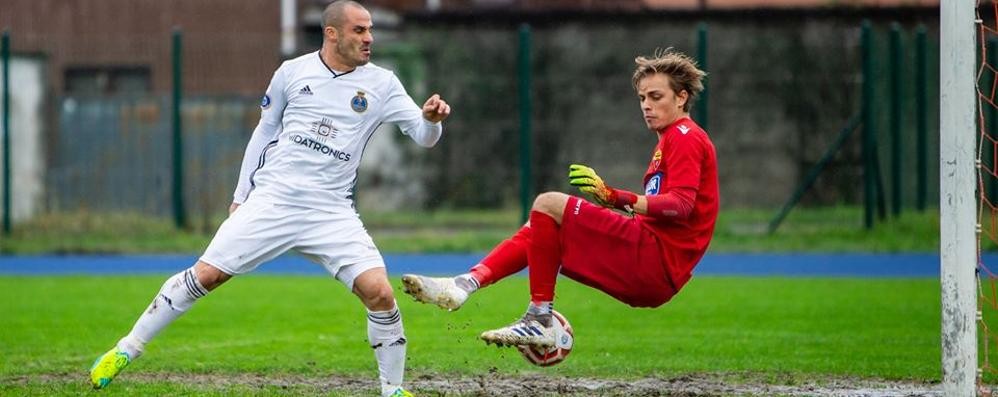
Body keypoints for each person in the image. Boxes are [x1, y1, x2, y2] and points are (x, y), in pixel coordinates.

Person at [88, 2, 450, 396]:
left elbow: (423, 137)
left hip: (331, 211)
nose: (369, 39)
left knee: (379, 292)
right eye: (359, 31)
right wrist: (241, 195)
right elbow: (263, 134)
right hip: (273, 201)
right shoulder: (292, 73)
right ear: (332, 34)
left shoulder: (382, 83)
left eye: (370, 31)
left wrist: (431, 120)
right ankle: (125, 349)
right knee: (207, 275)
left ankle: (392, 390)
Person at [401, 49, 717, 349]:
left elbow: (681, 206)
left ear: (682, 97)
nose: (646, 105)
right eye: (642, 98)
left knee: (549, 203)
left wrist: (613, 197)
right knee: (543, 228)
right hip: (652, 265)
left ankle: (539, 317)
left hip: (654, 259)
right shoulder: (671, 139)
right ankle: (464, 284)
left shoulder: (684, 137)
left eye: (655, 97)